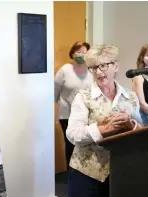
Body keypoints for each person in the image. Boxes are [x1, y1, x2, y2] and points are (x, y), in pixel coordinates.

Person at [66, 44, 143, 197]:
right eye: (93, 68)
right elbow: (73, 134)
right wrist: (105, 129)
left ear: (115, 66)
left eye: (103, 66)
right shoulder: (83, 97)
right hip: (86, 175)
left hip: (122, 172)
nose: (98, 72)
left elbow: (141, 132)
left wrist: (130, 124)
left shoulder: (131, 97)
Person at [54, 41, 93, 169]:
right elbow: (54, 92)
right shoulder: (65, 70)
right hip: (67, 115)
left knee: (85, 145)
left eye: (84, 52)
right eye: (78, 52)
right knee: (71, 146)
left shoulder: (91, 71)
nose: (81, 54)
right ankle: (71, 174)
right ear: (72, 53)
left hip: (87, 115)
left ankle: (84, 172)